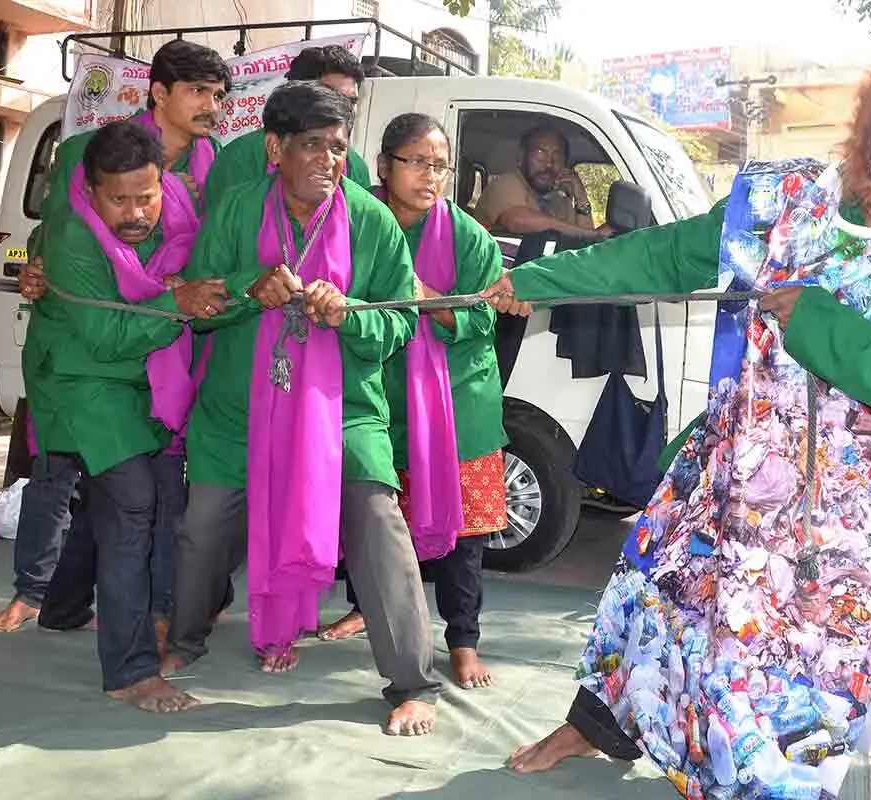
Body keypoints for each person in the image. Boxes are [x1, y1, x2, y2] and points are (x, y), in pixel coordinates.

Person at [483, 51, 871, 800]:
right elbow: (665, 254)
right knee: (664, 579)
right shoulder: (786, 199)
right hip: (751, 454)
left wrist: (818, 322)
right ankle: (598, 725)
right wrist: (535, 281)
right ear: (864, 114)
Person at [161, 82, 441, 736]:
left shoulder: (369, 220)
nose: (327, 161)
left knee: (377, 521)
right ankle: (187, 636)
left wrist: (350, 316)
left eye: (338, 148)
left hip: (342, 414)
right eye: (312, 145)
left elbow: (399, 327)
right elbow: (197, 310)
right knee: (204, 528)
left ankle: (413, 682)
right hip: (238, 412)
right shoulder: (234, 211)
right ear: (274, 147)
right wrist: (242, 290)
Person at [0, 38, 231, 635]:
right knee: (60, 473)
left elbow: (206, 248)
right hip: (87, 343)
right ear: (159, 93)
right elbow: (58, 231)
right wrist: (38, 265)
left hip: (168, 344)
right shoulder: (90, 152)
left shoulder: (210, 163)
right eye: (198, 92)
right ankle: (36, 593)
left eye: (219, 95)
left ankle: (151, 607)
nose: (211, 107)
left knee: (144, 485)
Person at [28, 121, 227, 712]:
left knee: (116, 504)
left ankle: (62, 608)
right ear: (89, 192)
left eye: (148, 195)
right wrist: (176, 301)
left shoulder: (176, 220)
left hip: (131, 386)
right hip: (82, 383)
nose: (137, 211)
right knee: (134, 504)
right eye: (120, 199)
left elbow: (196, 282)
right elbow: (107, 336)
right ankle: (130, 671)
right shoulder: (70, 239)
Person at [318, 113, 507, 691]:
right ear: (383, 166)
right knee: (374, 515)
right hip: (376, 394)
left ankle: (463, 640)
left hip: (458, 405)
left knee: (463, 534)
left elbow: (485, 314)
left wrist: (424, 299)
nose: (431, 176)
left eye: (441, 166)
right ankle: (364, 608)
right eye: (417, 162)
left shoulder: (468, 236)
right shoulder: (355, 222)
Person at [203, 44, 371, 209]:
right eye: (333, 97)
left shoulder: (355, 167)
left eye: (352, 101)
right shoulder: (240, 158)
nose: (345, 109)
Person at [475, 125, 610, 240]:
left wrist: (581, 196)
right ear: (521, 157)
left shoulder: (559, 200)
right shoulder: (506, 184)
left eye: (557, 157)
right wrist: (592, 234)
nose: (549, 164)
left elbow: (583, 245)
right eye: (540, 154)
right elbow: (516, 220)